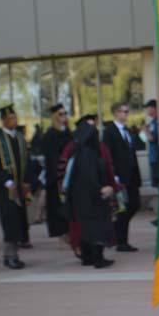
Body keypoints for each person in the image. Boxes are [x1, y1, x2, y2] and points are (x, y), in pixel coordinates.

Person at [0, 104, 32, 269]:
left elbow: (27, 161)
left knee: (19, 220)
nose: (15, 120)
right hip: (4, 189)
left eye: (15, 117)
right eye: (11, 118)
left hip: (19, 187)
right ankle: (10, 255)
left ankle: (13, 255)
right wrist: (8, 182)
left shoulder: (19, 137)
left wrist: (26, 181)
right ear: (3, 120)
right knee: (9, 221)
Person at [66, 120, 117, 268]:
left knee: (87, 227)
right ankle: (98, 258)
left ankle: (87, 257)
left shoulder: (79, 151)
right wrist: (100, 189)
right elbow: (89, 176)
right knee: (96, 227)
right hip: (92, 197)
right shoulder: (88, 153)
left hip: (82, 197)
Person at [103, 102, 142, 252]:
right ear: (115, 113)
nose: (125, 114)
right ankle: (121, 241)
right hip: (120, 176)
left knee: (134, 204)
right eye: (123, 111)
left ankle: (117, 233)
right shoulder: (110, 131)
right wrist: (114, 176)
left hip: (131, 175)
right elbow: (108, 155)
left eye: (127, 111)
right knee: (123, 208)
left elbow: (134, 149)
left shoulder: (127, 130)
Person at [41, 103, 73, 242]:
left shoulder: (69, 132)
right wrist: (61, 171)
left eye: (65, 113)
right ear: (55, 116)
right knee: (57, 205)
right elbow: (52, 157)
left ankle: (70, 231)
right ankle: (62, 233)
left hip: (69, 173)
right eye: (60, 114)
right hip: (57, 175)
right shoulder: (51, 134)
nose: (64, 116)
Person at [142, 99, 159, 187]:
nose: (147, 111)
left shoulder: (158, 122)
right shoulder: (153, 122)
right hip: (153, 156)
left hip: (157, 157)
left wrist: (146, 130)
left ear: (154, 108)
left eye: (148, 108)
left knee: (158, 182)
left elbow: (152, 139)